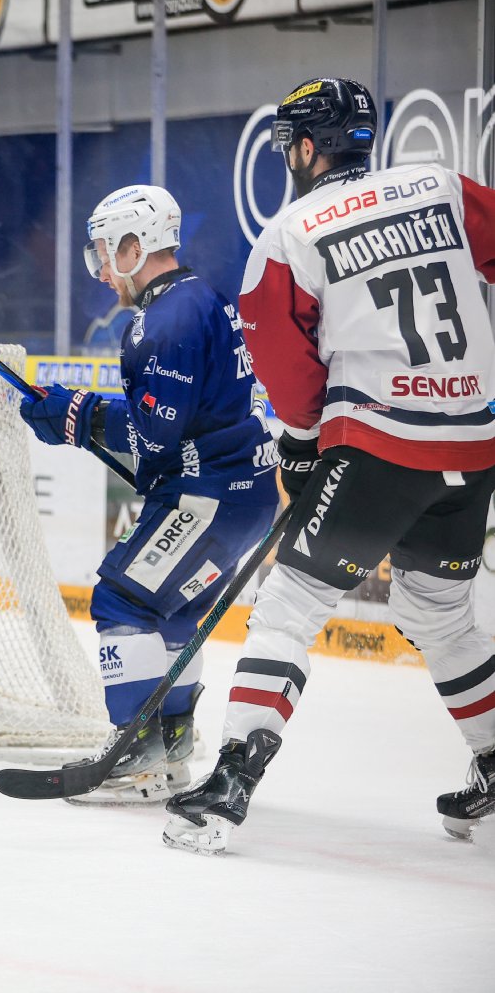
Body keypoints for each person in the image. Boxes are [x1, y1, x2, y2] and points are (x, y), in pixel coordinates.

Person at [162, 78, 495, 854]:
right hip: (475, 441)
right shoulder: (442, 187)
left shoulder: (289, 234)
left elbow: (286, 367)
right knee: (439, 612)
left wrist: (303, 442)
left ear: (308, 149)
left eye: (290, 145)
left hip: (381, 443)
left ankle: (230, 781)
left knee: (290, 600)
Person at [20, 185, 279, 806]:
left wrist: (76, 415)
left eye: (105, 253)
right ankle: (171, 749)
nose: (102, 271)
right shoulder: (202, 297)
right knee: (173, 616)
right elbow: (181, 423)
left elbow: (153, 434)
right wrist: (80, 417)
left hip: (207, 498)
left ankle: (137, 751)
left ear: (135, 247)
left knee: (123, 599)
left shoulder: (162, 321)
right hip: (242, 496)